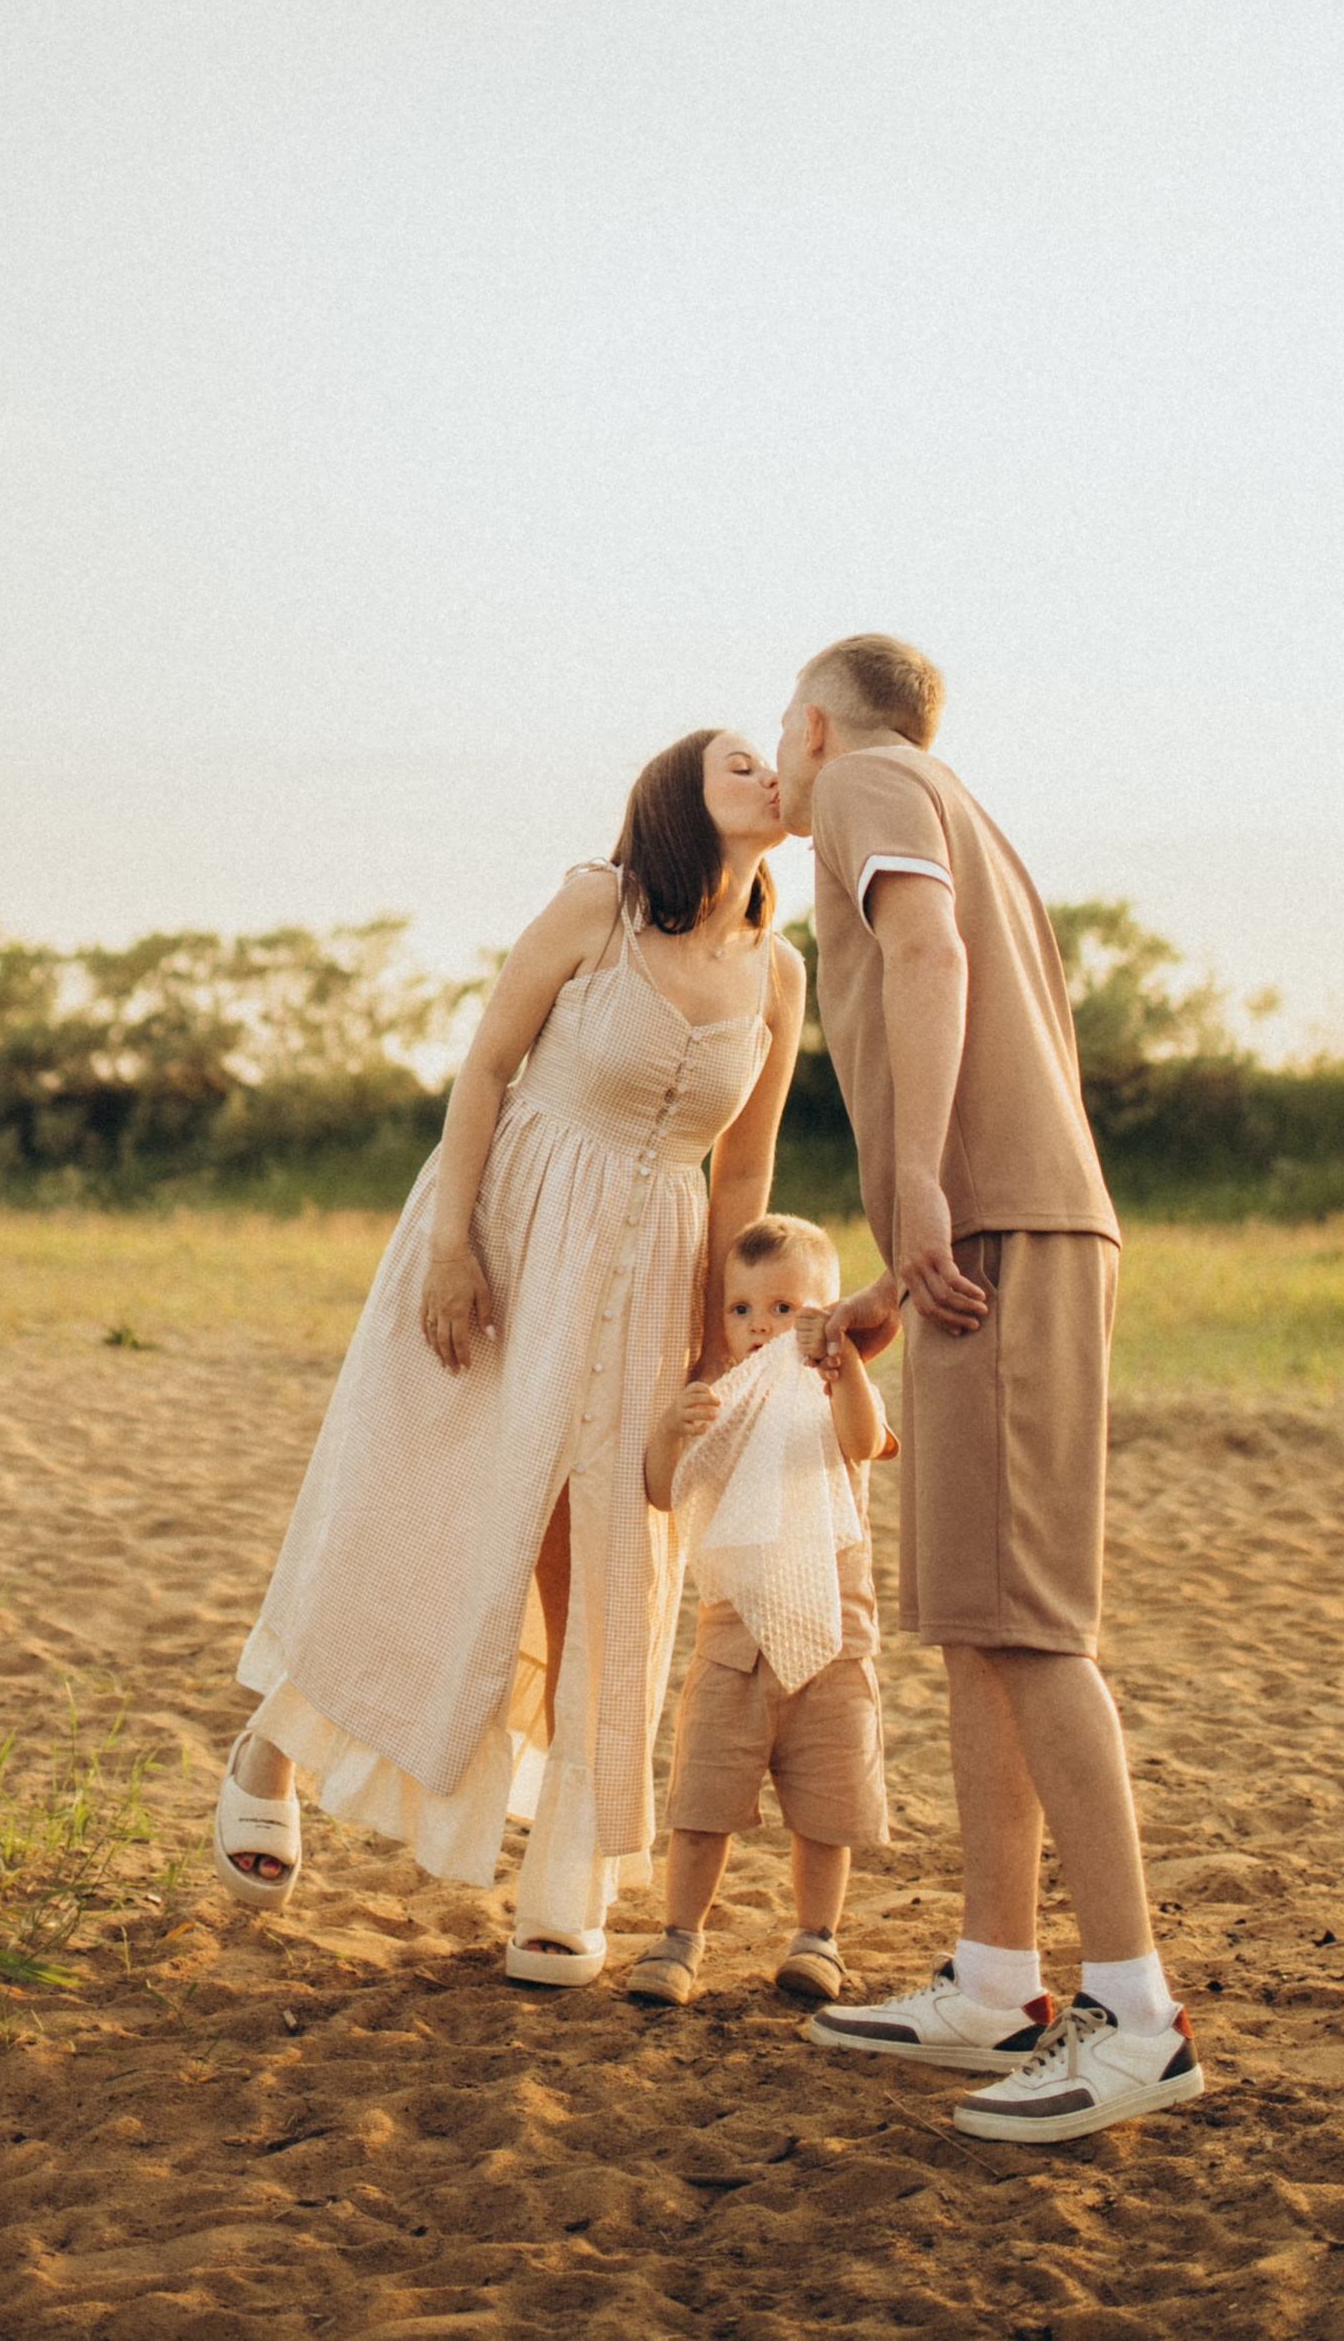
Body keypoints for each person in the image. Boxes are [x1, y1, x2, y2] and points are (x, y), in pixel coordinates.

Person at [214, 728, 804, 1986]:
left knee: (613, 1555)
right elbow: (485, 1067)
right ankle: (273, 1746)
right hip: (515, 1230)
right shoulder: (599, 905)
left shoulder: (782, 973)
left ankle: (571, 1869)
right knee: (433, 1510)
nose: (767, 776)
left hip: (657, 1259)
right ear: (678, 803)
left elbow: (743, 1167)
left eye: (772, 765)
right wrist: (449, 1248)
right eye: (737, 764)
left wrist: (723, 1341)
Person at [778, 632, 1206, 2146]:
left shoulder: (870, 780)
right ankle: (994, 1979)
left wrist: (909, 1188)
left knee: (1029, 1627)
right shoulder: (961, 805)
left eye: (785, 725)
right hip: (992, 1236)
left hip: (1004, 1226)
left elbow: (928, 960)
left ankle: (1137, 2018)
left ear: (819, 724)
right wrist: (897, 1274)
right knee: (971, 1625)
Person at [626, 1211, 892, 2011]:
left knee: (828, 1807)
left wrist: (843, 1363)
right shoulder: (724, 1401)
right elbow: (662, 1492)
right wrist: (671, 1432)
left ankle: (817, 1937)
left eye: (785, 1309)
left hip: (834, 1641)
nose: (760, 1326)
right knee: (703, 1799)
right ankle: (681, 1934)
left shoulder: (831, 1391)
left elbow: (864, 1438)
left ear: (826, 1312)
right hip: (732, 1643)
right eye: (742, 1310)